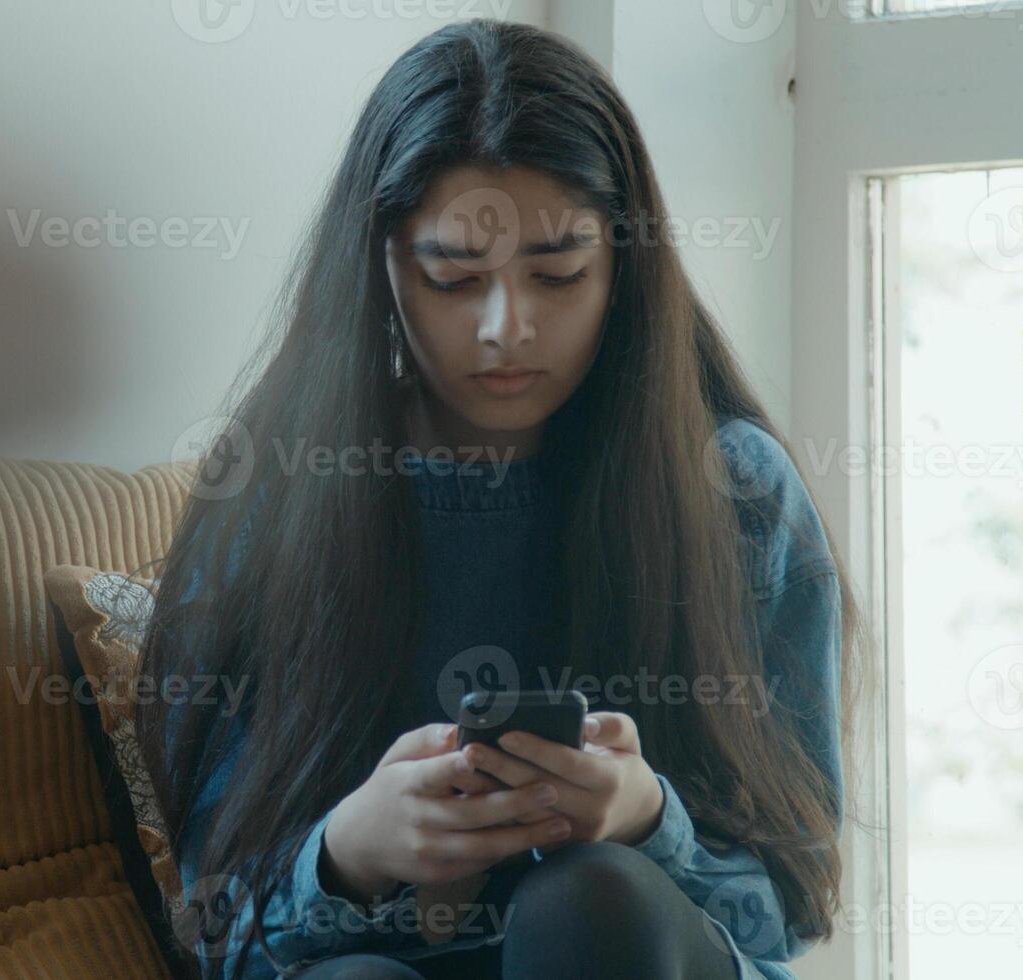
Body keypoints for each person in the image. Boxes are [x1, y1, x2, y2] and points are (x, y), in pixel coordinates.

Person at [136, 19, 865, 980]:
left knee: (591, 901)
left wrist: (649, 820)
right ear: (381, 269)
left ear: (625, 266)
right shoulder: (278, 492)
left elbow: (792, 906)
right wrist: (347, 854)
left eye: (558, 274)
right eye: (453, 276)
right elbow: (211, 927)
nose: (506, 327)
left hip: (630, 951)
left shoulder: (736, 492)